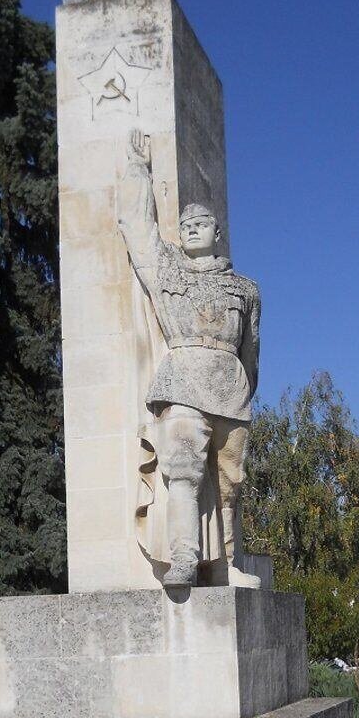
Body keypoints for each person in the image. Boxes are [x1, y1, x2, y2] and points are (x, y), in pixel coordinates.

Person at [117, 128, 261, 588]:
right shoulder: (167, 270)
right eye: (186, 224)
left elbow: (251, 351)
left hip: (231, 390)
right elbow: (138, 229)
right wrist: (138, 171)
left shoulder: (245, 289)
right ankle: (183, 559)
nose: (192, 227)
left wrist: (243, 387)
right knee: (182, 471)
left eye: (202, 223)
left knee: (230, 482)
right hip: (181, 381)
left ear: (218, 233)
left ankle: (226, 565)